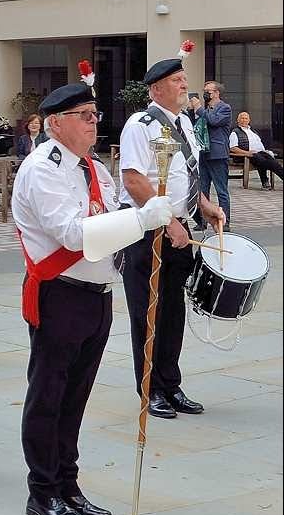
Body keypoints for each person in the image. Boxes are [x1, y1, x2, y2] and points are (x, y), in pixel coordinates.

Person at [12, 83, 173, 515]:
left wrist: (149, 217)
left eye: (94, 113)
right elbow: (73, 234)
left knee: (76, 397)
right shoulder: (41, 168)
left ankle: (68, 483)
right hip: (60, 293)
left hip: (96, 293)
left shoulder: (94, 167)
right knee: (49, 395)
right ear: (55, 123)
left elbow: (111, 218)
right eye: (83, 114)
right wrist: (141, 219)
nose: (93, 121)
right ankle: (43, 490)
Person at [118, 56, 225, 420]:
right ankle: (150, 390)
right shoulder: (140, 124)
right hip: (148, 231)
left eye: (183, 79)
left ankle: (170, 383)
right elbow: (134, 180)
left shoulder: (184, 123)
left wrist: (205, 207)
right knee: (149, 313)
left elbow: (187, 177)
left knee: (173, 312)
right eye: (177, 80)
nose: (184, 85)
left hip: (180, 226)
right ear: (156, 88)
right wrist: (167, 222)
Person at [195, 81, 232, 230]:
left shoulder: (224, 108)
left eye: (208, 91)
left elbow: (213, 121)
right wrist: (194, 110)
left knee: (221, 189)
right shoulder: (206, 108)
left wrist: (198, 109)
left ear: (216, 93)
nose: (206, 94)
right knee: (203, 189)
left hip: (217, 154)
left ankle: (225, 221)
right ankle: (203, 221)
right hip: (203, 152)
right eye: (204, 91)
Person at [230, 111, 282, 188]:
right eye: (242, 118)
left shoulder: (253, 132)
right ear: (238, 120)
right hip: (246, 155)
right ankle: (265, 181)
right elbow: (233, 148)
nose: (244, 120)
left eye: (246, 118)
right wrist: (247, 153)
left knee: (272, 160)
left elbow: (259, 144)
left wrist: (265, 151)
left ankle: (265, 181)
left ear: (249, 120)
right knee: (263, 160)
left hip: (260, 153)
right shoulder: (235, 133)